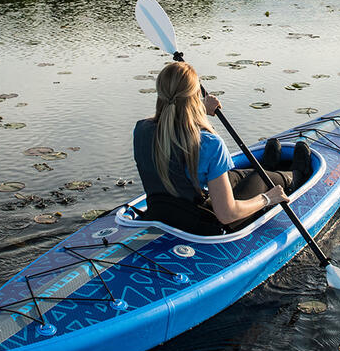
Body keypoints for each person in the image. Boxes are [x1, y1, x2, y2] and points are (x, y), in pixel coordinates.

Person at [133, 61, 312, 235]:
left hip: (163, 212)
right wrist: (267, 199)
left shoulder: (141, 129)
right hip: (205, 223)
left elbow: (172, 118)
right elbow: (227, 215)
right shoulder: (210, 144)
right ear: (194, 96)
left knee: (233, 175)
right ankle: (295, 177)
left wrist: (201, 109)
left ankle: (267, 165)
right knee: (261, 178)